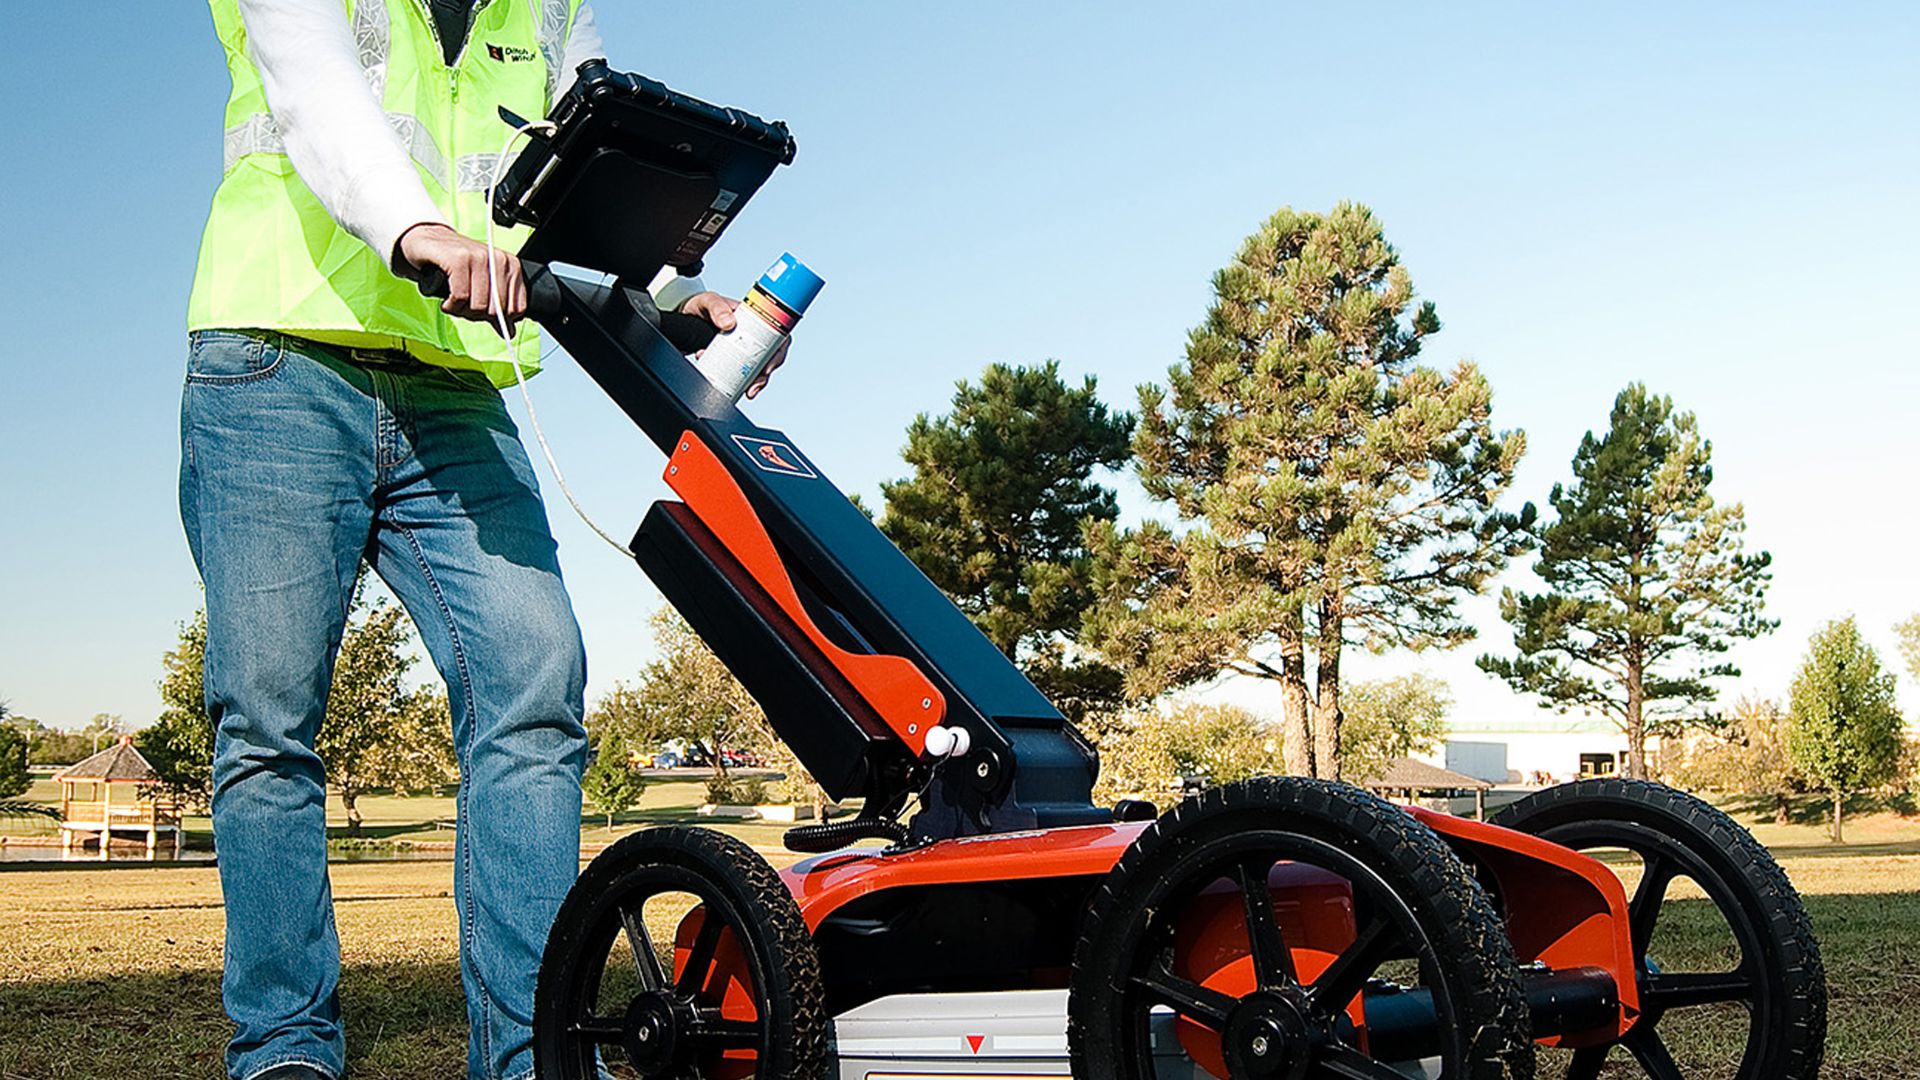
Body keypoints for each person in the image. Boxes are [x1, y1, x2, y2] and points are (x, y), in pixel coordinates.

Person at [182, 3, 764, 1079]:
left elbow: (584, 178)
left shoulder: (546, 8)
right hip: (279, 356)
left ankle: (536, 1052)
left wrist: (675, 298)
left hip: (456, 383)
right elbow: (318, 95)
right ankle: (284, 1049)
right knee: (264, 720)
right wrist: (421, 231)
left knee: (534, 683)